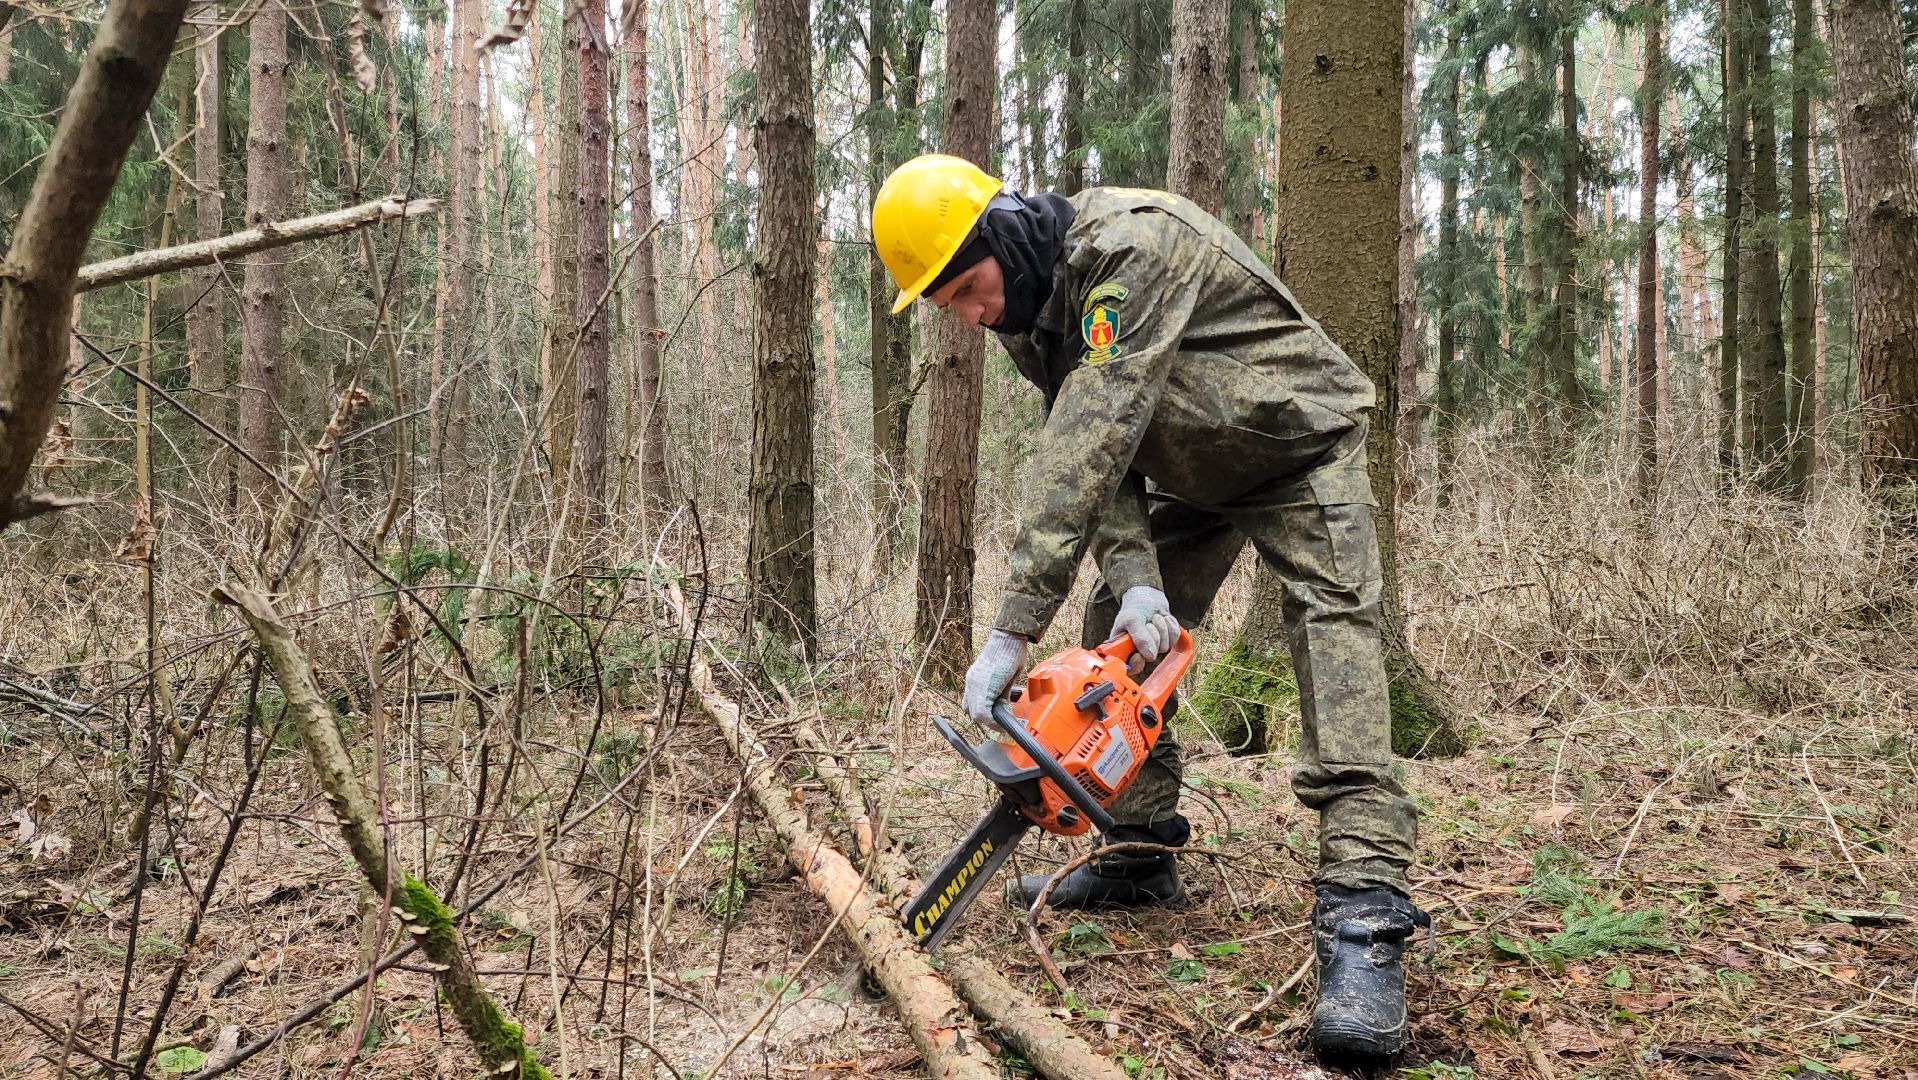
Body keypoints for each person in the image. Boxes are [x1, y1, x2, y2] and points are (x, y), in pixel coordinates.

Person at [870, 153, 1428, 1059]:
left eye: (969, 288)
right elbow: (1108, 457)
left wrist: (1012, 624)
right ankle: (1139, 846)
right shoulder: (1032, 314)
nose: (973, 316)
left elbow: (1092, 430)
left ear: (1004, 232)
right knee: (1111, 640)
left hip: (1296, 444)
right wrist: (1135, 579)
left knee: (1335, 638)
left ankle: (1363, 909)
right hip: (1190, 463)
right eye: (951, 308)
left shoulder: (1134, 247)